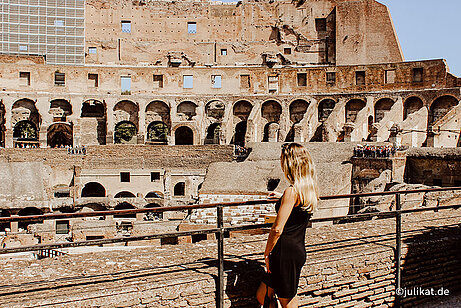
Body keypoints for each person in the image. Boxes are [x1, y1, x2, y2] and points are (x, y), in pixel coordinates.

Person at [256, 143, 319, 308]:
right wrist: (281, 197)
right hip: (296, 250)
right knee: (266, 295)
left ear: (290, 164)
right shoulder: (309, 190)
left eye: (283, 160)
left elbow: (277, 229)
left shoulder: (292, 192)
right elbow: (296, 208)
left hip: (283, 253)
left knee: (286, 300)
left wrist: (267, 253)